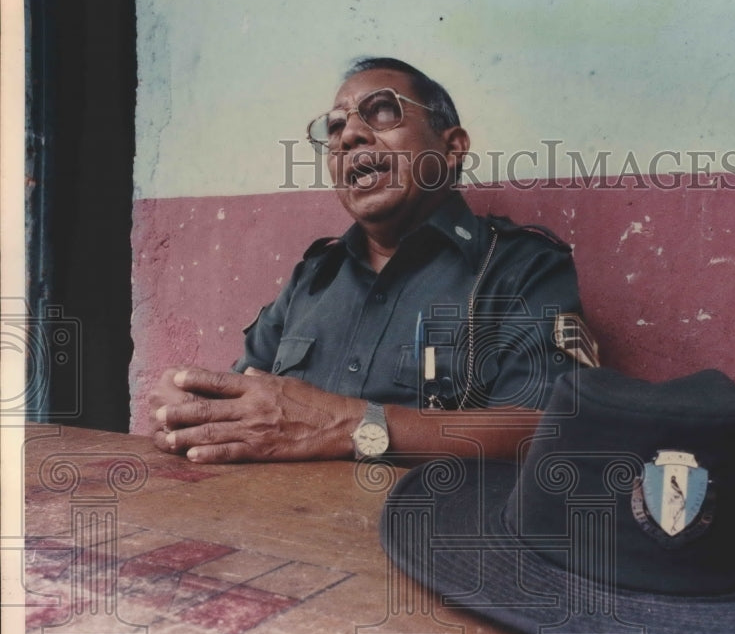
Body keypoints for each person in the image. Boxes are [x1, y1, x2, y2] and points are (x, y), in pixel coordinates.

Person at [149, 57, 592, 464]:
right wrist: (192, 407)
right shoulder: (313, 279)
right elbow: (245, 402)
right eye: (335, 127)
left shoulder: (520, 269)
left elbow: (551, 429)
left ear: (452, 147)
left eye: (382, 111)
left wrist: (354, 425)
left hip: (425, 538)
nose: (349, 136)